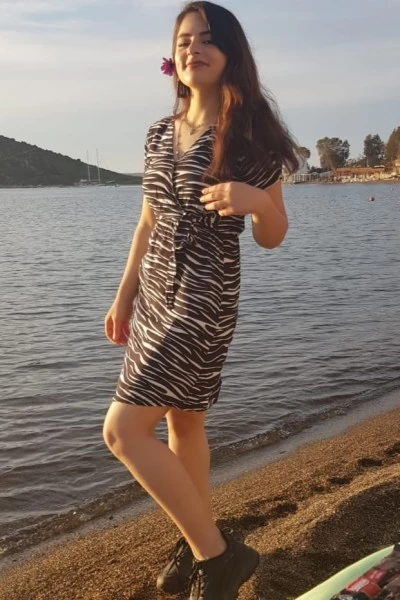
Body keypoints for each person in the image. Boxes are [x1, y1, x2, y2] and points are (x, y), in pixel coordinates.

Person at [102, 2, 299, 599]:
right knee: (183, 423)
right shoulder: (158, 133)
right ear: (173, 57)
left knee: (123, 431)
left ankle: (219, 556)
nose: (194, 48)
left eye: (208, 39)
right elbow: (147, 221)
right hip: (156, 294)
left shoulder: (248, 136)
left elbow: (273, 234)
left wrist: (256, 201)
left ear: (230, 53)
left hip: (204, 297)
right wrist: (124, 296)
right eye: (184, 40)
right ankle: (196, 542)